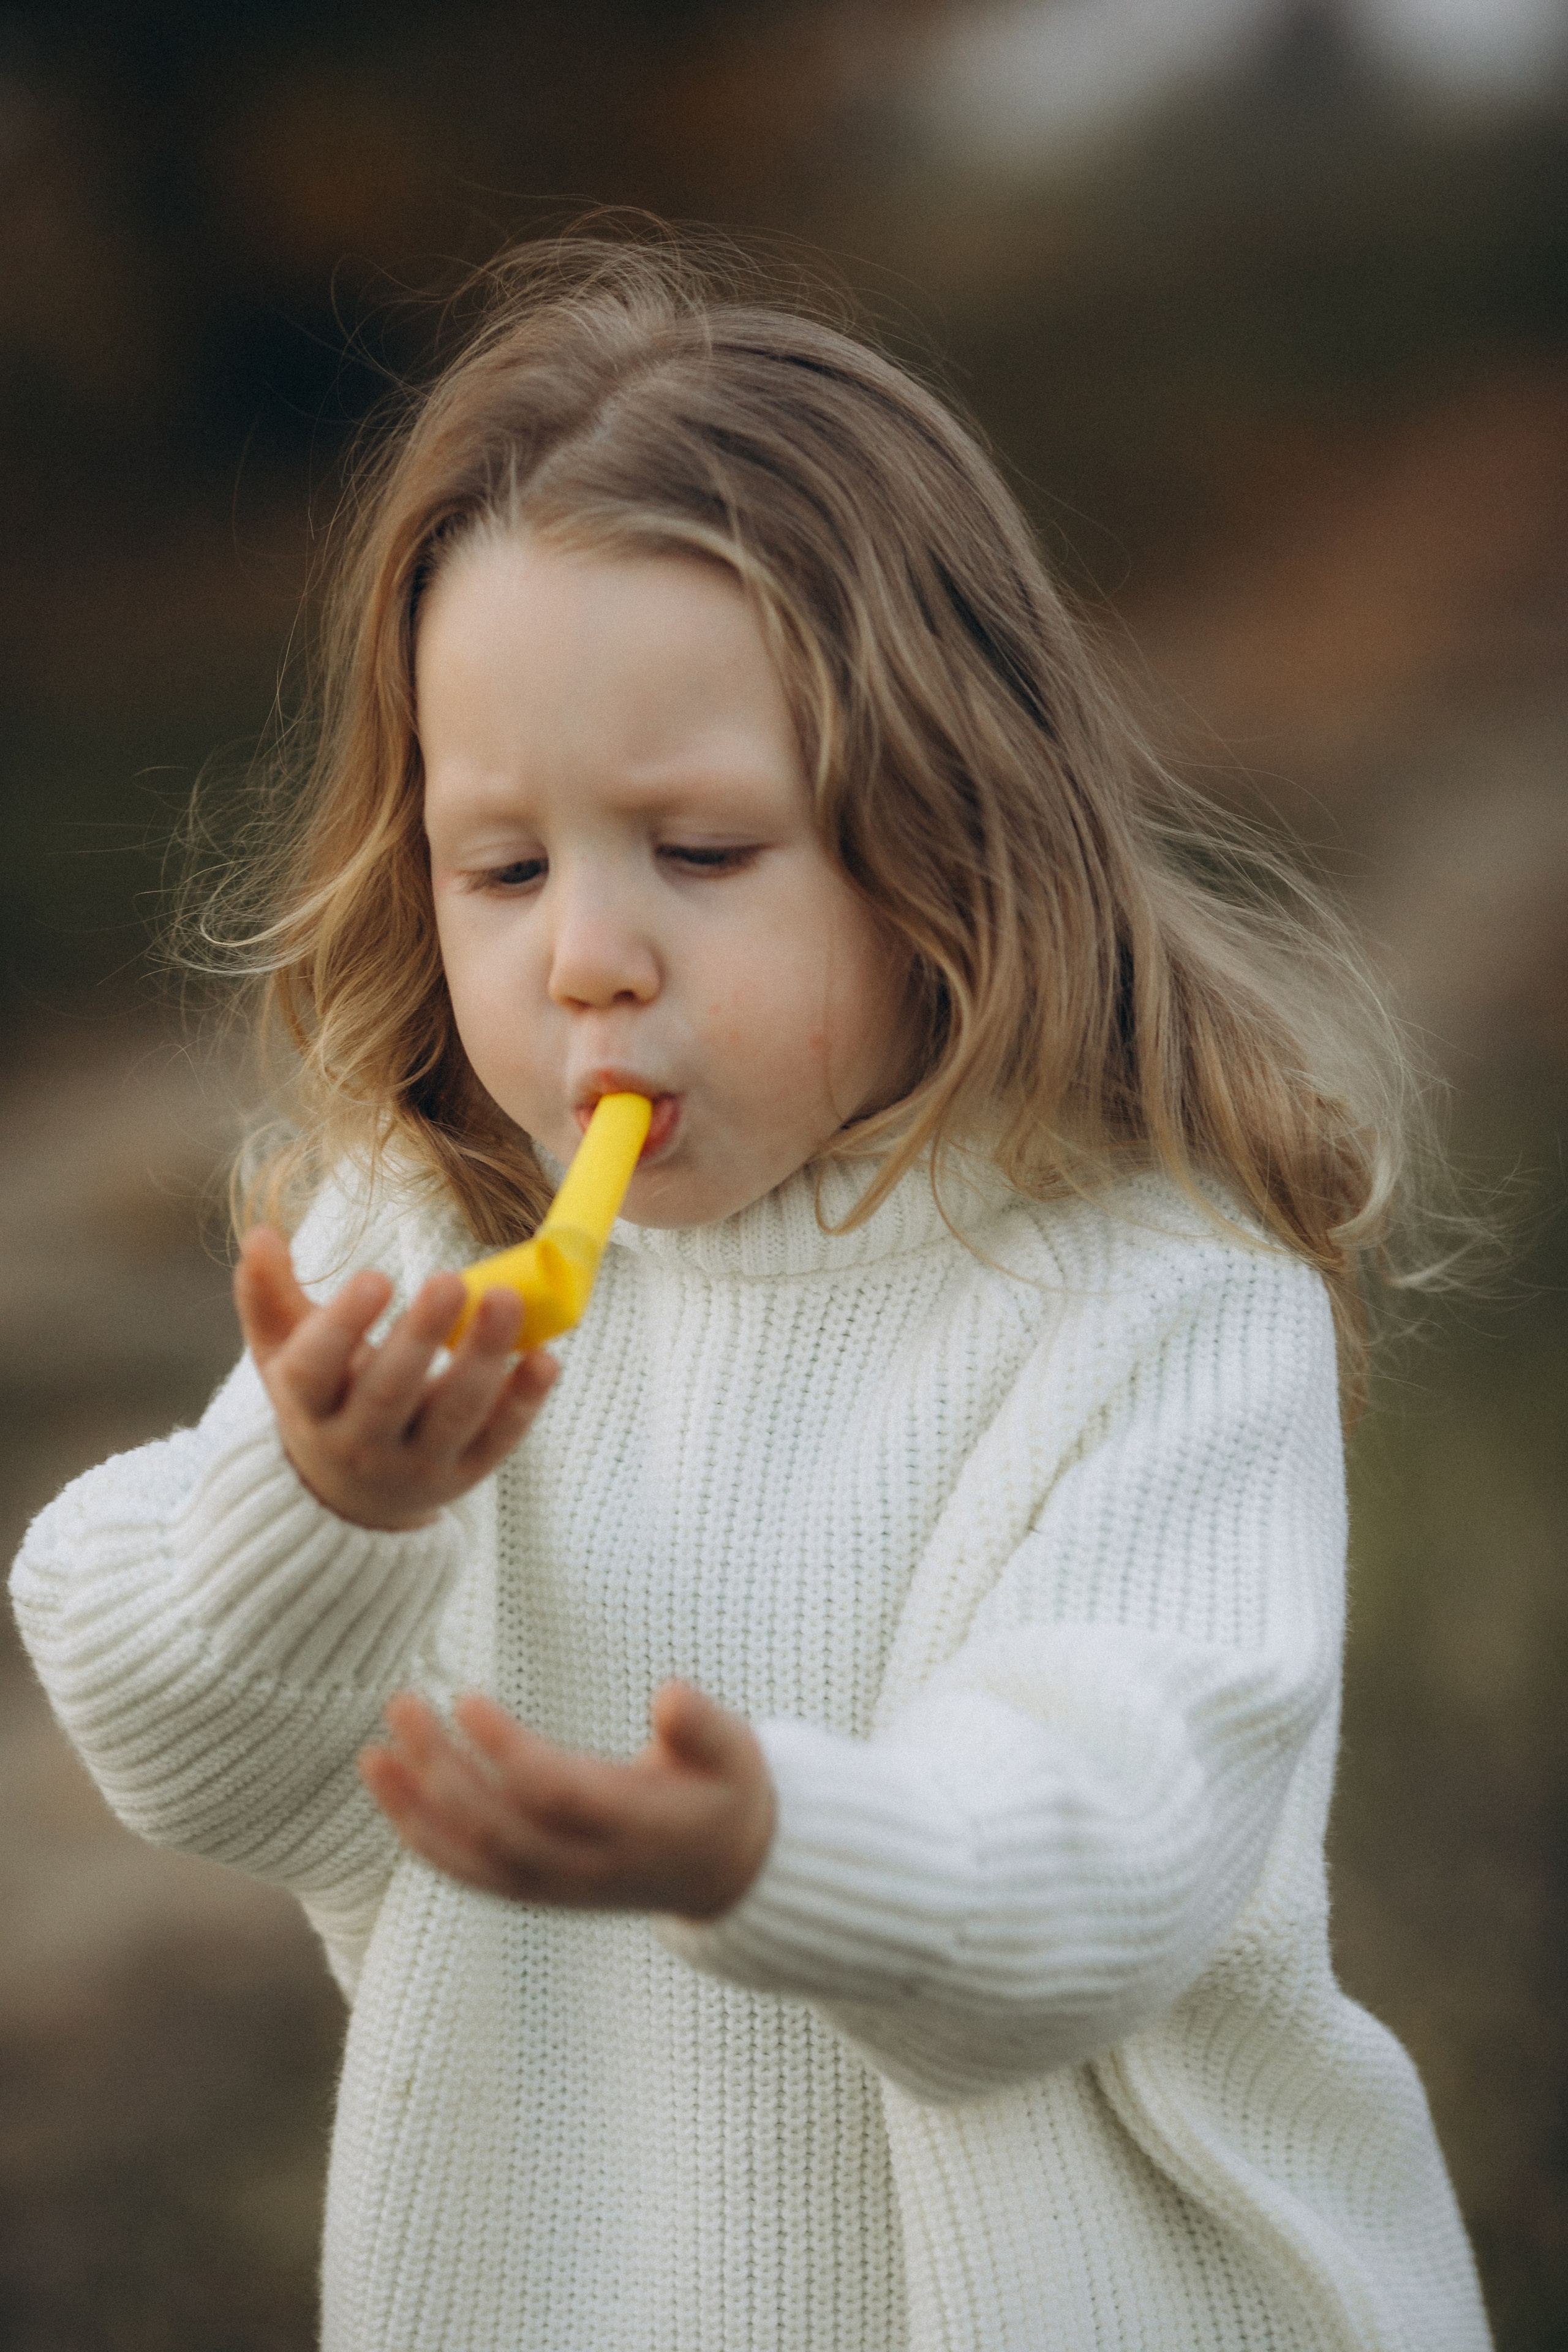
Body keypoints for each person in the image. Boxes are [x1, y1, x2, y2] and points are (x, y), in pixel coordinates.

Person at [10, 239, 1492, 2351]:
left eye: (699, 854)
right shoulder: (428, 1237)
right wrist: (321, 1513)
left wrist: (776, 1844)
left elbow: (1123, 1834)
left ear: (948, 834)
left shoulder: (1146, 1294)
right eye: (503, 868)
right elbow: (195, 1760)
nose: (586, 956)